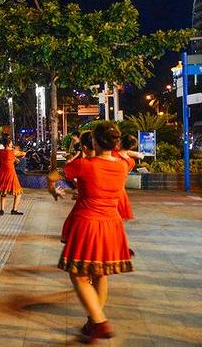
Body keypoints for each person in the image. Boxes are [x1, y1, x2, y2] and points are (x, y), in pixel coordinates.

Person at [48, 122, 133, 343]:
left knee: (77, 274)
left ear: (94, 142)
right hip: (112, 224)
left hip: (88, 223)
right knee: (100, 273)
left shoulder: (84, 165)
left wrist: (53, 190)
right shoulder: (123, 166)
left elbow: (53, 176)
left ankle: (100, 321)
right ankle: (92, 323)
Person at [0, 134, 24, 215]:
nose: (12, 144)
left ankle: (1, 210)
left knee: (3, 192)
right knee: (18, 193)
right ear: (8, 144)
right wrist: (15, 156)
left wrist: (14, 158)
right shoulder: (13, 152)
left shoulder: (0, 152)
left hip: (2, 173)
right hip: (11, 173)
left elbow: (0, 157)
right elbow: (23, 153)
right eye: (11, 143)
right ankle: (14, 210)